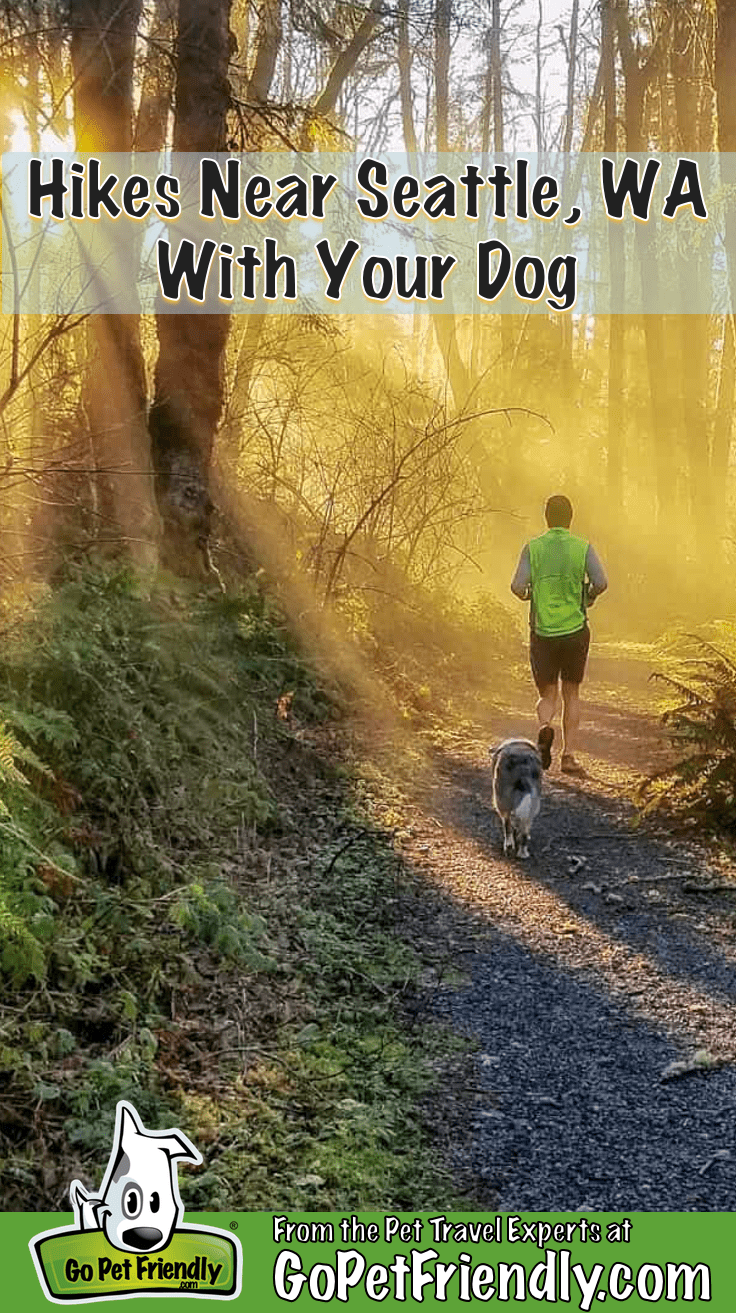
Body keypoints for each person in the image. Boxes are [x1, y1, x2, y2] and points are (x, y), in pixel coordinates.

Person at [510, 494, 607, 776]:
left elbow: (517, 586)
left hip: (543, 632)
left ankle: (543, 728)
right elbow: (601, 582)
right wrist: (588, 595)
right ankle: (569, 755)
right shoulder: (583, 548)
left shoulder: (533, 548)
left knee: (548, 694)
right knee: (572, 692)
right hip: (575, 630)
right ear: (570, 518)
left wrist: (530, 594)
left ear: (547, 518)